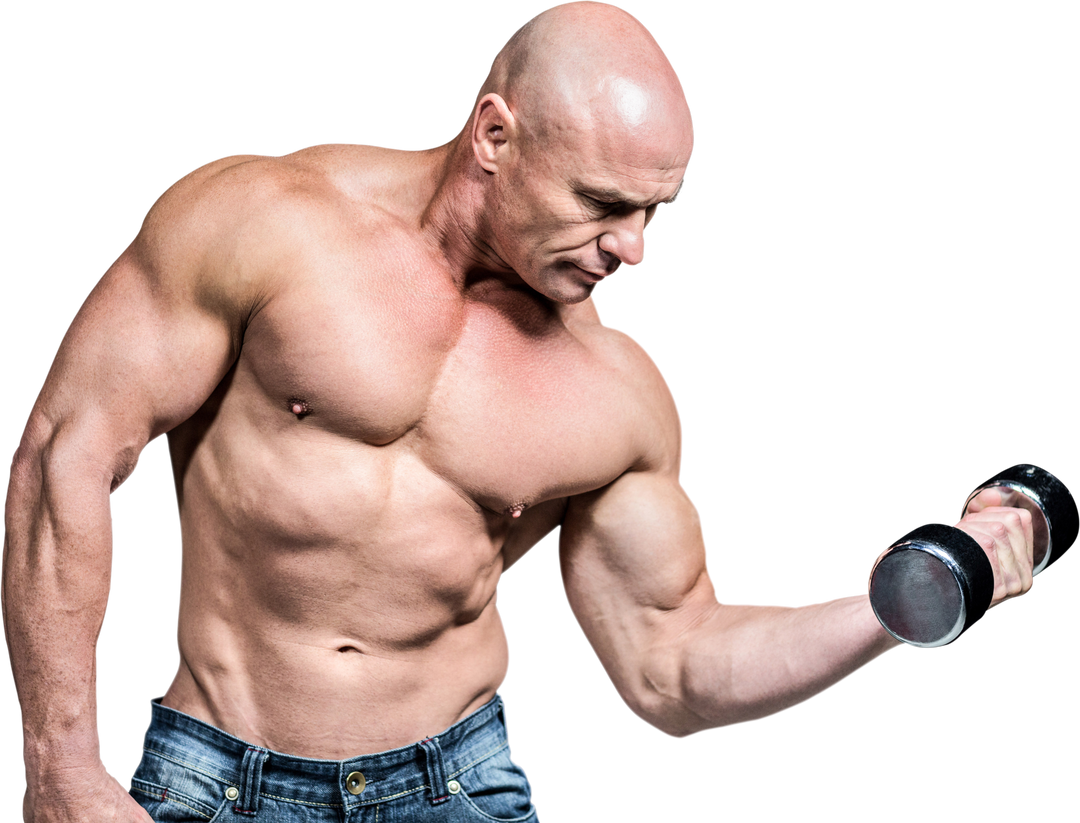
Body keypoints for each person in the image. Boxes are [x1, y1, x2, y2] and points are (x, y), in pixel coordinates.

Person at [2, 2, 1037, 821]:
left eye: (653, 214)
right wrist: (62, 764)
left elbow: (673, 666)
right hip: (213, 777)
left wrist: (906, 601)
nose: (632, 249)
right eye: (602, 204)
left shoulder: (616, 388)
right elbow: (68, 456)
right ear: (496, 133)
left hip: (456, 788)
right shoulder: (263, 224)